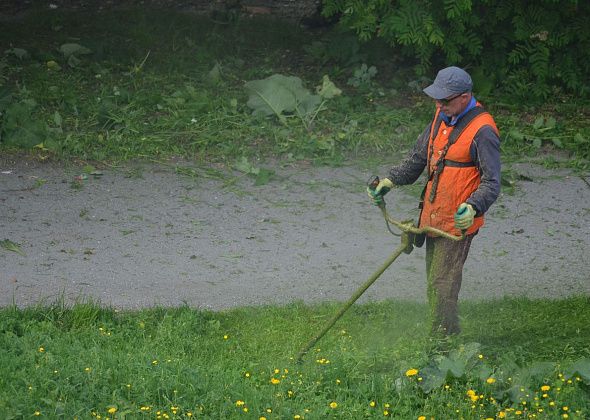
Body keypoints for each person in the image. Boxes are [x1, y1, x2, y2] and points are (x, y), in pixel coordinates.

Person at [368, 66, 501, 335]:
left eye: (445, 100)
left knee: (442, 283)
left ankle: (442, 343)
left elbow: (492, 182)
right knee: (435, 281)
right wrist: (390, 181)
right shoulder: (442, 116)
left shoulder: (483, 131)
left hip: (457, 223)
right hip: (432, 215)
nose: (439, 105)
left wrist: (473, 207)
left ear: (465, 97)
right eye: (437, 99)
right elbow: (419, 157)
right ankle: (444, 332)